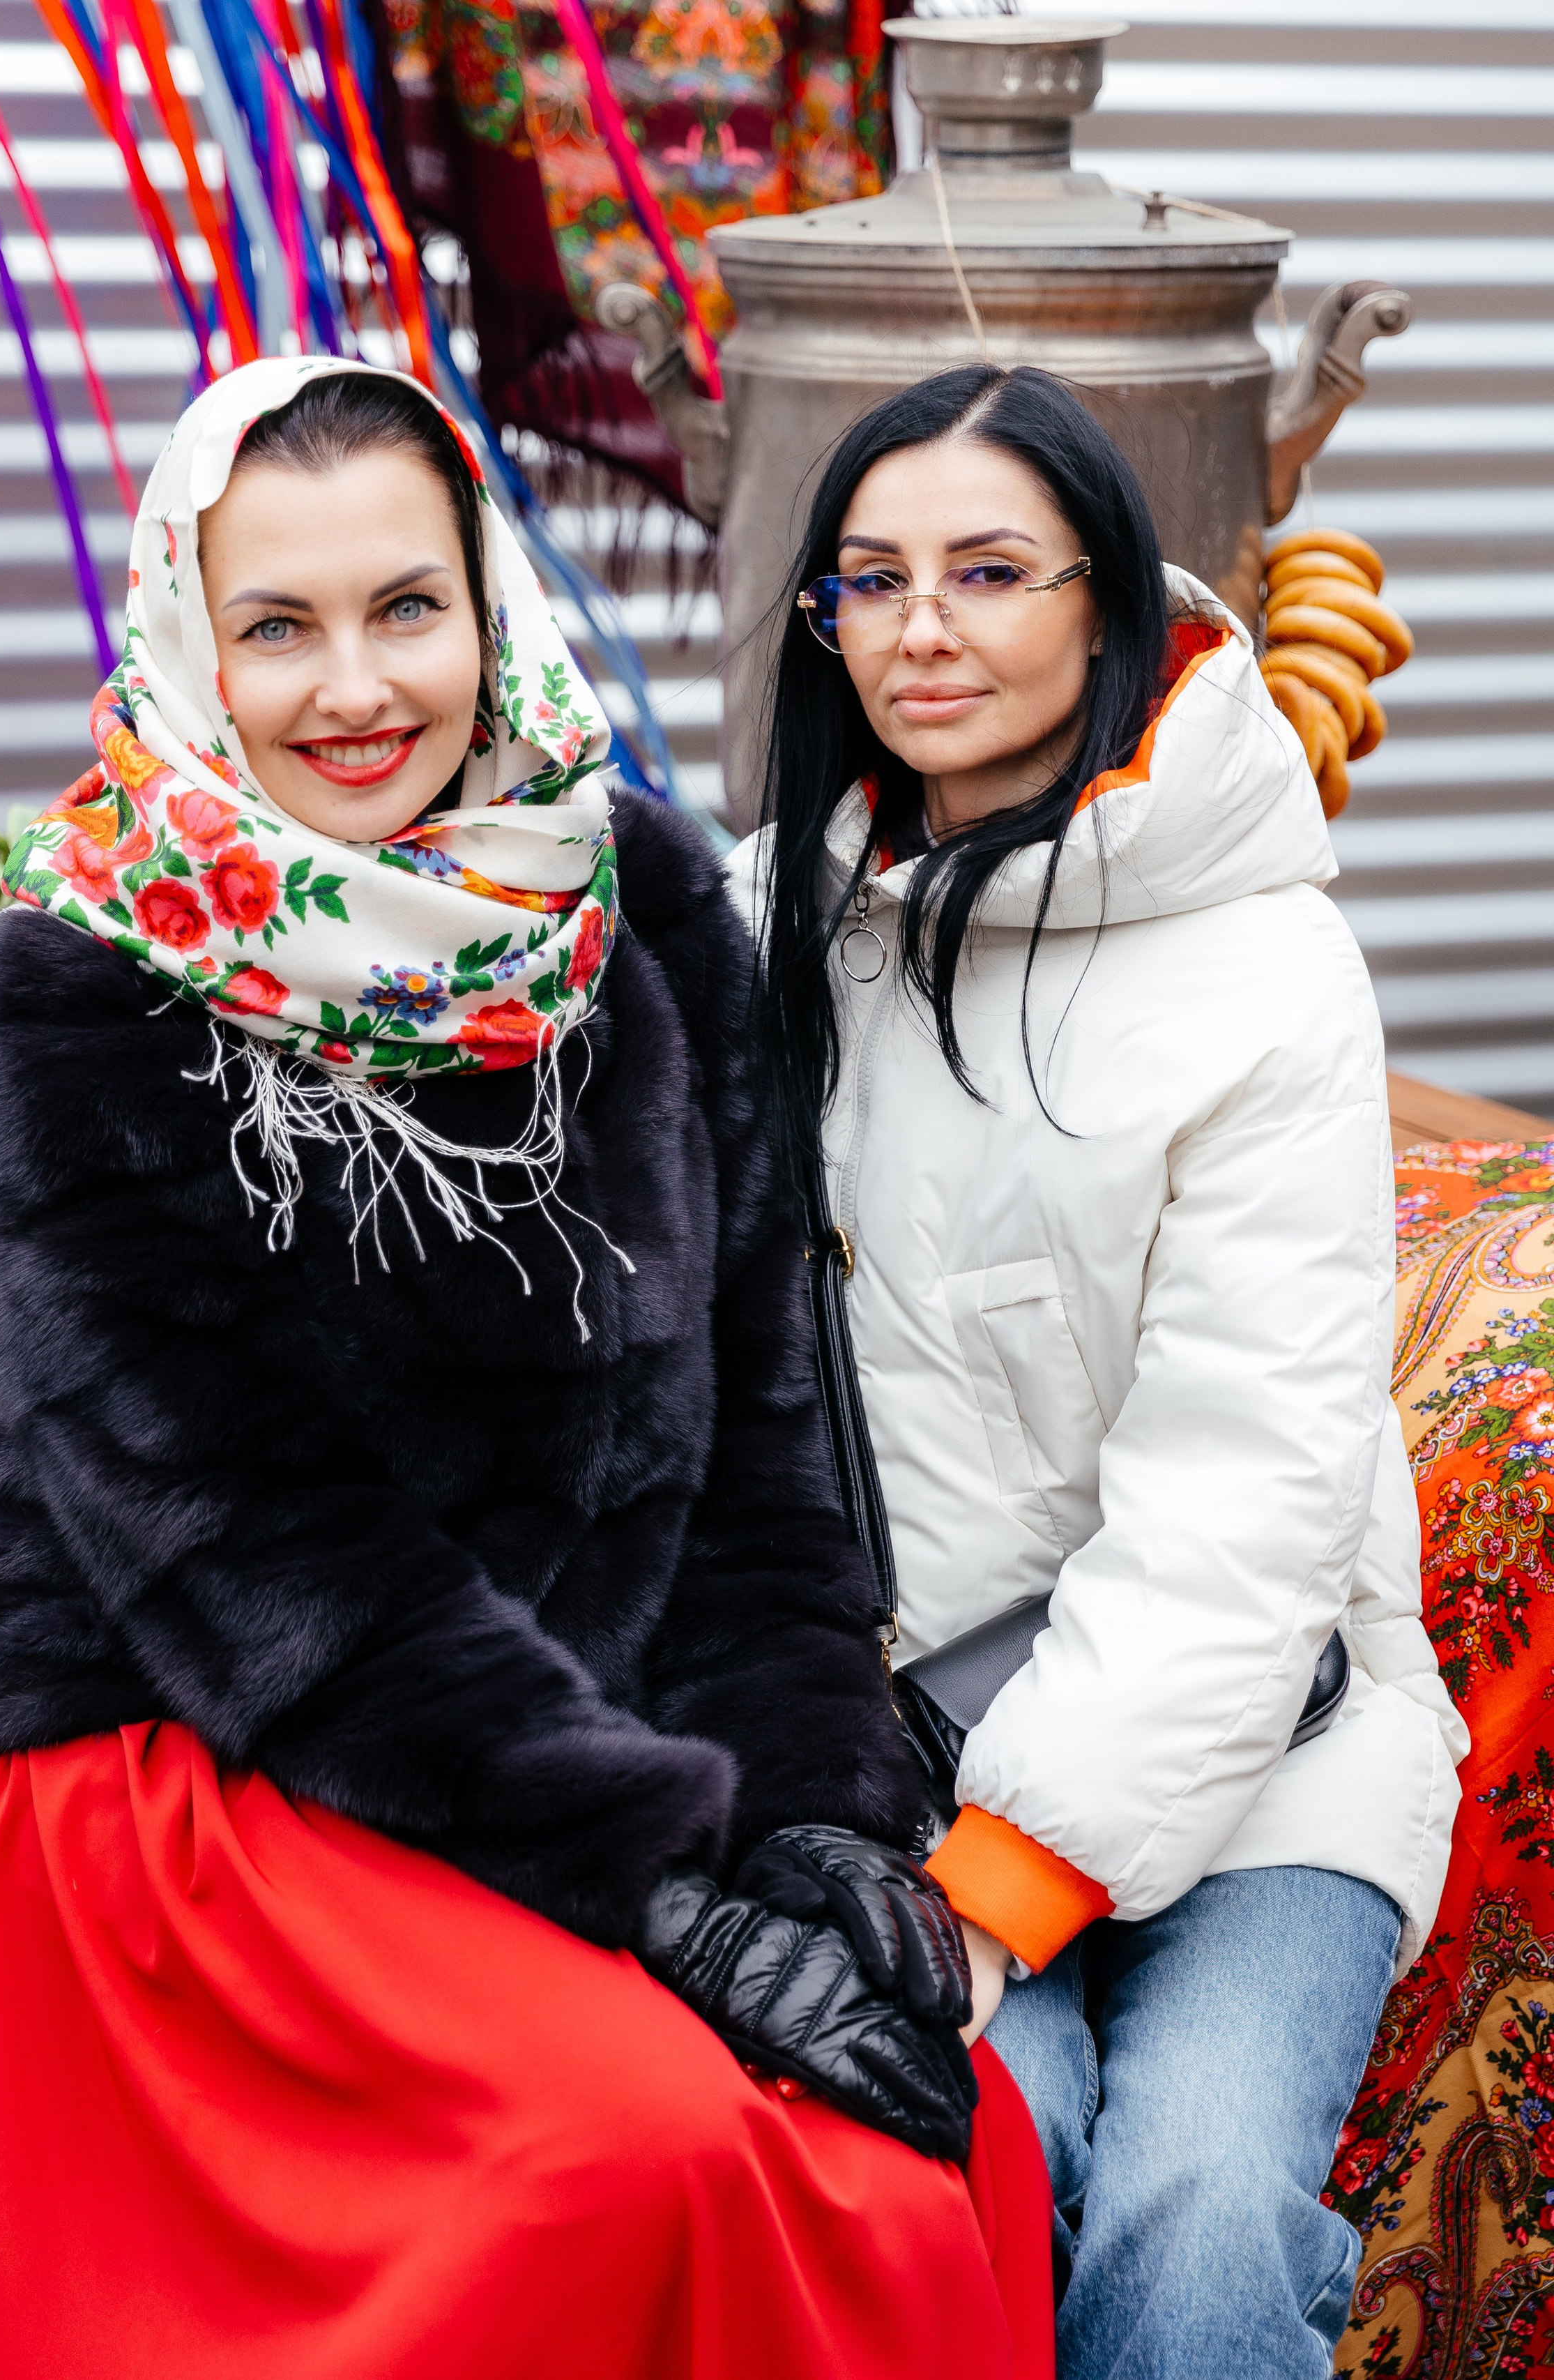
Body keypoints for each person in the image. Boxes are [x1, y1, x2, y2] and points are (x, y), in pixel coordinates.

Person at [0, 358, 1056, 2380]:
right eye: (277, 626)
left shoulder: (635, 917)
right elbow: (258, 1553)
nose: (355, 688)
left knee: (929, 2140)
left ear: (488, 608)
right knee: (647, 2162)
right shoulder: (91, 977)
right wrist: (660, 1893)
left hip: (532, 1762)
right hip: (174, 1771)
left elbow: (758, 1460)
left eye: (405, 608)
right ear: (191, 647)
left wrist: (812, 1818)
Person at [734, 363, 1468, 2380]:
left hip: (1277, 1752)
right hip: (918, 1751)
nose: (922, 627)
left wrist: (1009, 1886)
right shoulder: (778, 920)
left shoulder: (1262, 967)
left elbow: (1250, 1493)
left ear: (1109, 597)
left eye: (990, 571)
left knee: (1195, 2211)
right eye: (870, 579)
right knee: (961, 2155)